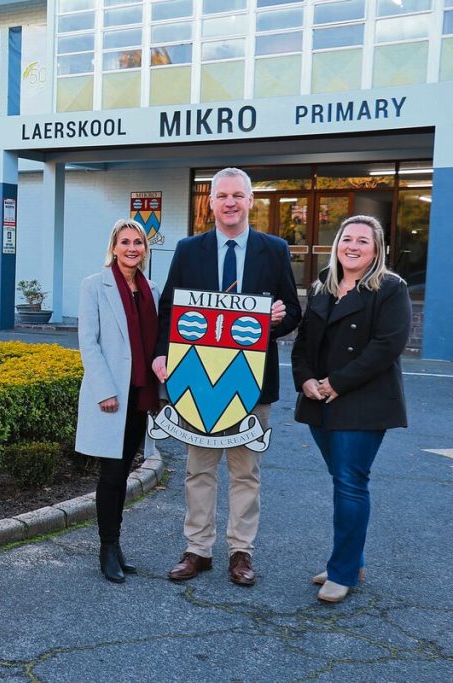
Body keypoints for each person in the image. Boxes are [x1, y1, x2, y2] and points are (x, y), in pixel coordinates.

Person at [152, 167, 301, 586]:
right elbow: (169, 309)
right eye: (222, 196)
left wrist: (275, 320)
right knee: (199, 470)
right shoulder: (188, 249)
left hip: (251, 382)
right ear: (211, 203)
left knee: (245, 472)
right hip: (197, 381)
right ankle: (197, 550)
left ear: (250, 200)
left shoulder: (274, 249)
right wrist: (162, 354)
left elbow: (293, 310)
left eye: (238, 195)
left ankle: (241, 552)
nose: (230, 202)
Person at [291, 215, 411, 603]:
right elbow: (303, 343)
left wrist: (336, 383)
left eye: (363, 240)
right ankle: (350, 561)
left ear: (376, 250)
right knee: (343, 481)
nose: (353, 246)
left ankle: (343, 573)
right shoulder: (321, 286)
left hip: (362, 401)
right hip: (319, 399)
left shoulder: (390, 288)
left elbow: (387, 347)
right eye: (347, 238)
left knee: (350, 483)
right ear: (336, 244)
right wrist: (306, 379)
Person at [76, 218, 161, 583]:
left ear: (145, 249)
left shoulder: (151, 288)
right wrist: (105, 390)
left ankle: (116, 544)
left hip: (140, 394)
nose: (131, 248)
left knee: (124, 473)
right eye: (125, 242)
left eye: (137, 242)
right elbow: (88, 342)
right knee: (111, 475)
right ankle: (107, 547)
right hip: (111, 395)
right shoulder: (94, 285)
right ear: (113, 247)